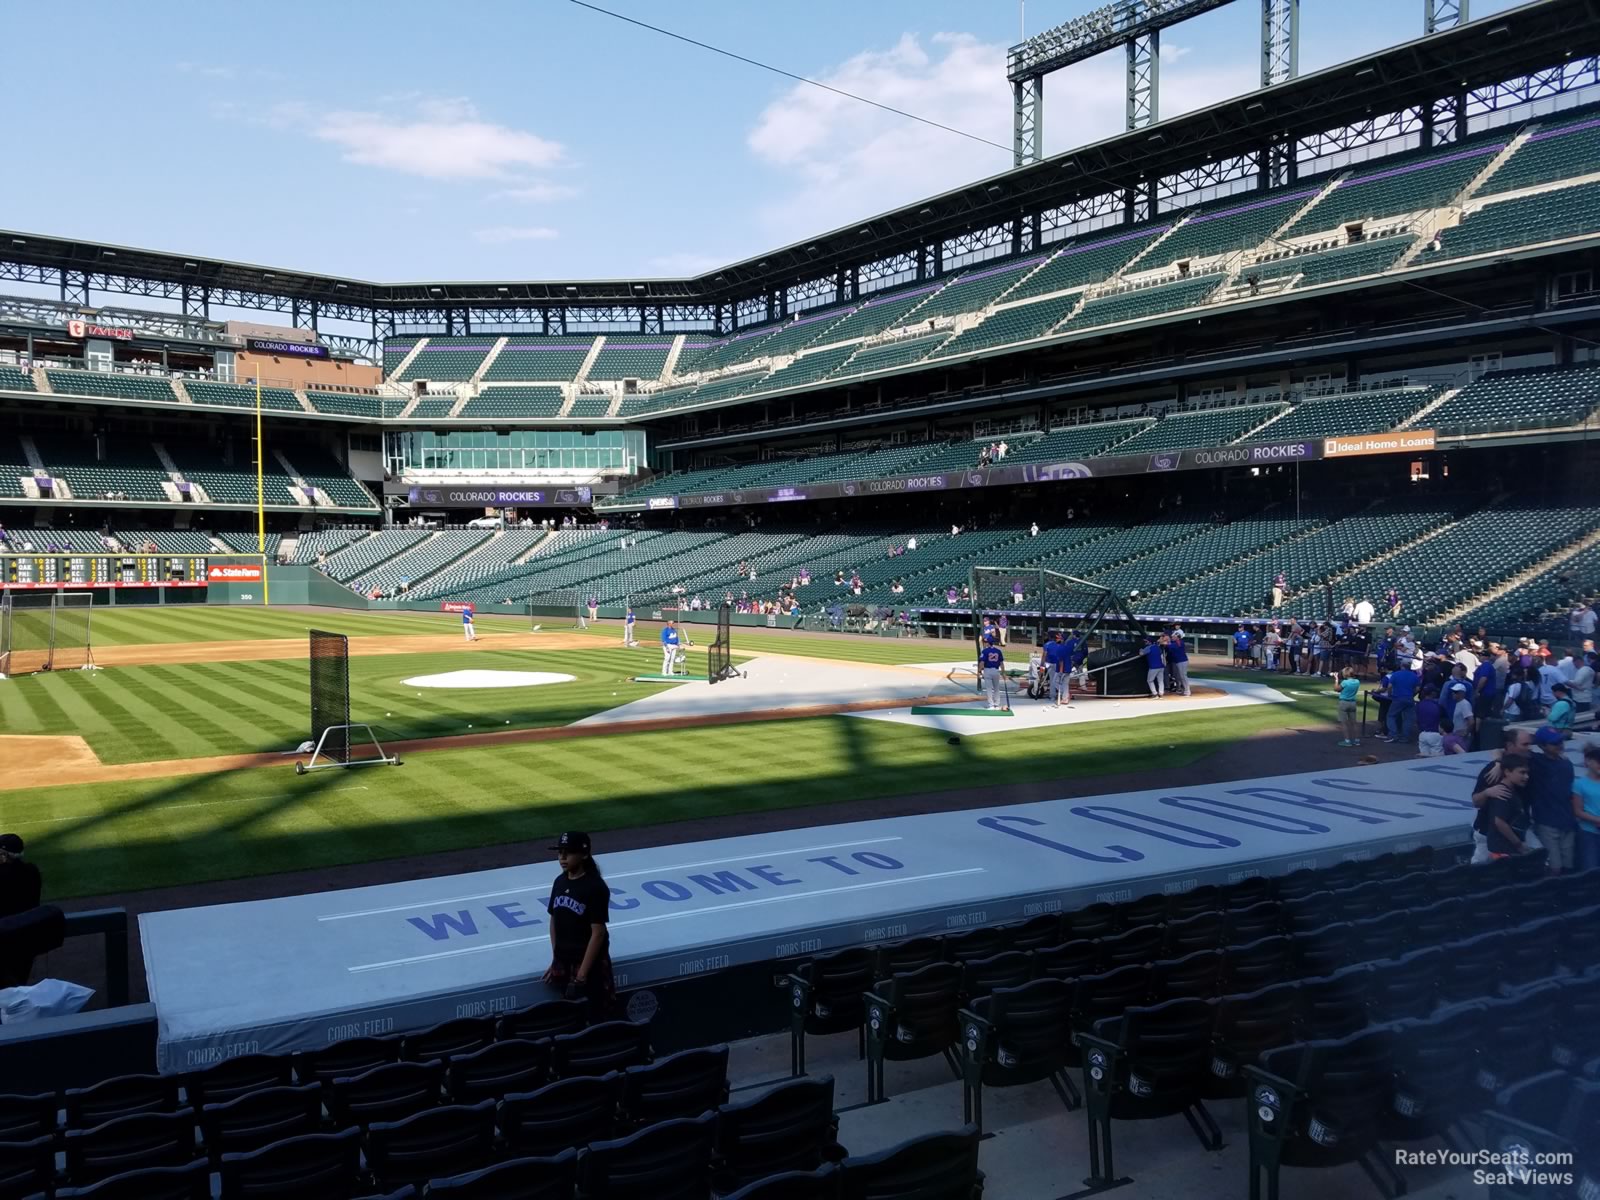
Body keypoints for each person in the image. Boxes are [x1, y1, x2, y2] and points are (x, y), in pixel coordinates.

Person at [543, 832, 615, 1020]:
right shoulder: (559, 882)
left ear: (584, 854)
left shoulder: (595, 887)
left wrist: (582, 974)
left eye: (568, 852)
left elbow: (598, 933)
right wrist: (556, 958)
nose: (562, 857)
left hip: (590, 968)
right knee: (569, 1021)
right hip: (565, 962)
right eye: (560, 852)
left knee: (596, 1019)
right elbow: (554, 920)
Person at [1528, 727, 1577, 874]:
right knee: (1554, 867)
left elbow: (1570, 792)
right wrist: (1497, 763)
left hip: (1567, 821)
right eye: (1554, 743)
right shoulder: (1535, 761)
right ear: (1542, 746)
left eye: (1560, 741)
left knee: (1569, 865)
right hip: (1547, 822)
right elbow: (1506, 752)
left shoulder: (1567, 764)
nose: (1559, 745)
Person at [1482, 754, 1534, 860]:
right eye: (1522, 772)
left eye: (1527, 773)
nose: (1526, 777)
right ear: (1507, 772)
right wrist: (1518, 844)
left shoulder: (1512, 791)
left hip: (1507, 849)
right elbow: (1499, 822)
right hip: (1503, 851)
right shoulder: (1503, 793)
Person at [1571, 742, 1600, 873]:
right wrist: (1597, 820)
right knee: (1590, 868)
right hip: (1589, 832)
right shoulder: (1579, 784)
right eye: (1598, 761)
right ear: (1588, 761)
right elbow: (1578, 811)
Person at [0, 834, 42, 919]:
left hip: (6, 924)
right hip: (30, 921)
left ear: (5, 856)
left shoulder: (3, 875)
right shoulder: (32, 870)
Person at [1333, 668, 1361, 747]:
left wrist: (1336, 680)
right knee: (1354, 723)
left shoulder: (1345, 682)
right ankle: (1356, 740)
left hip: (1344, 703)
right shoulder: (1357, 681)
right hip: (1353, 703)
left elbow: (1336, 689)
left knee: (1344, 723)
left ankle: (1347, 741)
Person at [979, 636, 1005, 711]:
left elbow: (982, 662)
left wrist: (979, 671)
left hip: (988, 670)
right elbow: (1001, 663)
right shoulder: (998, 651)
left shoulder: (985, 651)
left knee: (989, 689)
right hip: (996, 671)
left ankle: (991, 705)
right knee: (996, 688)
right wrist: (1003, 672)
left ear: (988, 643)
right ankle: (997, 704)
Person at [1166, 629, 1191, 696]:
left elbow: (1170, 645)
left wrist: (1167, 641)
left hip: (1182, 661)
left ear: (1177, 637)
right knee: (1181, 676)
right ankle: (1185, 690)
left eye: (1174, 636)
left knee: (1183, 676)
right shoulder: (1176, 642)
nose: (1172, 637)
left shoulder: (1179, 642)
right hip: (1179, 661)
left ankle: (1187, 691)